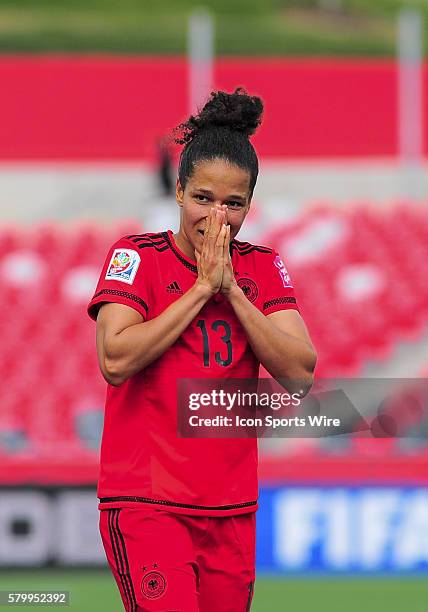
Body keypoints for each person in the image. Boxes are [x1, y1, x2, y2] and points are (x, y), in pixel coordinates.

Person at [87, 88, 316, 612]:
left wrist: (231, 290)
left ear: (249, 206)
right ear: (179, 193)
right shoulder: (136, 258)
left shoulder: (262, 268)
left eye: (234, 203)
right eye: (204, 198)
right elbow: (115, 361)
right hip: (149, 503)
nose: (217, 216)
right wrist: (200, 289)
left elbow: (301, 372)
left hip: (231, 509)